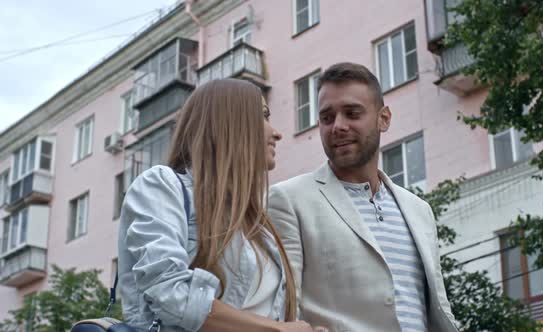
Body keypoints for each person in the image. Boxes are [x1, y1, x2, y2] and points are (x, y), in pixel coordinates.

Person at [118, 79, 324, 331]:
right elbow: (169, 292)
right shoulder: (162, 185)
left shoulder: (258, 225)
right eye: (263, 115)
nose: (276, 132)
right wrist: (275, 330)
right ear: (229, 123)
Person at [268, 63, 459, 332]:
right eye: (326, 118)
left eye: (352, 113)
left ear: (384, 118)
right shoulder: (288, 200)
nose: (338, 126)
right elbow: (284, 310)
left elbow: (436, 308)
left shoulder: (419, 210)